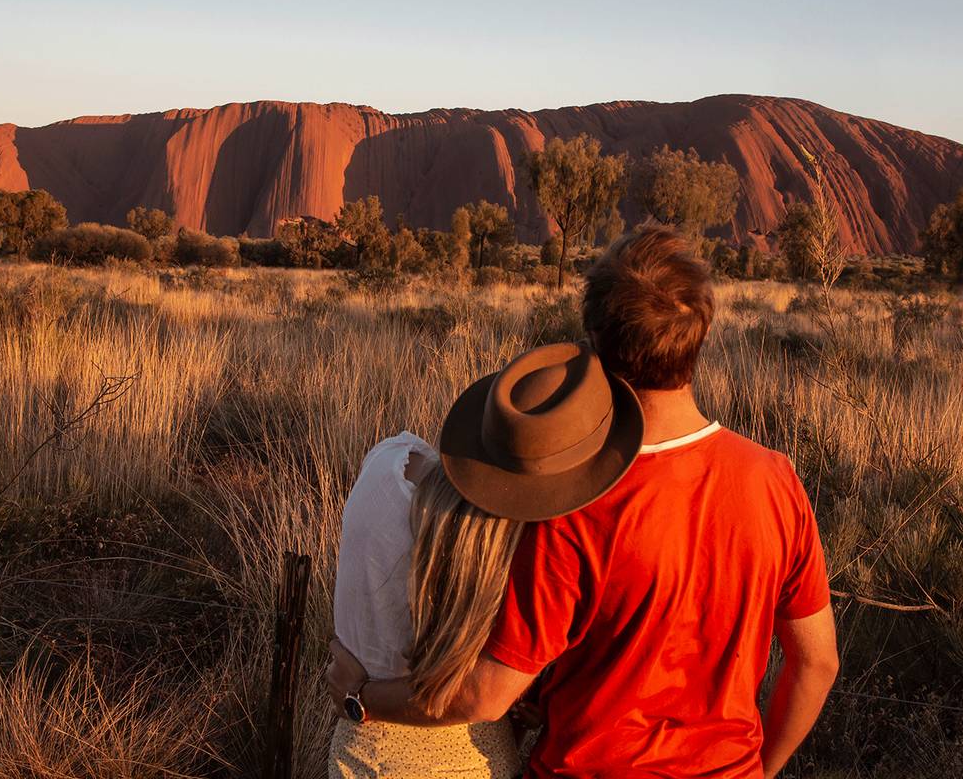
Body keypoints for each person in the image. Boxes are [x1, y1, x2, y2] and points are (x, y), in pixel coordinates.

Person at [329, 227, 839, 778]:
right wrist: (762, 770)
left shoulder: (574, 507)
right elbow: (817, 662)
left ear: (594, 342)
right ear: (701, 333)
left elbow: (489, 695)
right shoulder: (776, 480)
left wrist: (364, 697)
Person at [330, 341, 645, 777]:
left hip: (362, 749)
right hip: (476, 758)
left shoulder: (386, 461)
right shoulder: (520, 555)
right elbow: (489, 693)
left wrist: (358, 695)